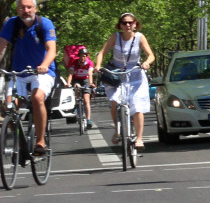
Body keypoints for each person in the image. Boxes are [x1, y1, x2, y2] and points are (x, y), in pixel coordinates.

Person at [0, 0, 58, 155]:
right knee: (9, 107)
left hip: (42, 73)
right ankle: (21, 143)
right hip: (18, 73)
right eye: (22, 7)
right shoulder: (12, 24)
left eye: (29, 7)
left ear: (35, 8)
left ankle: (40, 141)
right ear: (17, 9)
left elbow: (52, 49)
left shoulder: (44, 24)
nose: (25, 10)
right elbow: (1, 45)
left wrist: (44, 65)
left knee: (37, 97)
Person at [93, 12, 156, 151]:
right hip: (117, 75)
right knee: (115, 101)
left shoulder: (140, 37)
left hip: (136, 75)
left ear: (135, 24)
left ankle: (139, 139)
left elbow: (151, 55)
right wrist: (97, 65)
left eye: (130, 22)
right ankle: (118, 130)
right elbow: (102, 52)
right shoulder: (115, 37)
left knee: (138, 106)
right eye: (124, 23)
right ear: (120, 25)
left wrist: (146, 63)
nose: (128, 25)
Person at [63, 45, 96, 129]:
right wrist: (68, 83)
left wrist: (91, 83)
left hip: (85, 80)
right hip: (76, 79)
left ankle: (88, 120)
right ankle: (76, 105)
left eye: (84, 56)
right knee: (77, 88)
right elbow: (70, 73)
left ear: (86, 56)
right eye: (81, 56)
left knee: (86, 100)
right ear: (79, 56)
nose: (82, 58)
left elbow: (90, 74)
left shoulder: (90, 63)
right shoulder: (74, 62)